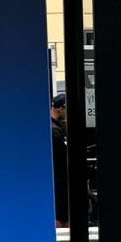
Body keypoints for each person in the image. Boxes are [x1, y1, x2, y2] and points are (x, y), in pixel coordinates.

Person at [51, 93, 68, 228]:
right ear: (61, 108)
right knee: (61, 216)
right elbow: (61, 159)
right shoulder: (55, 131)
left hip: (58, 180)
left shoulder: (57, 127)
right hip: (59, 180)